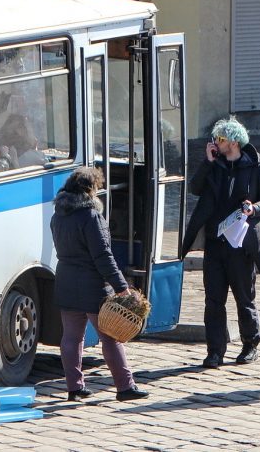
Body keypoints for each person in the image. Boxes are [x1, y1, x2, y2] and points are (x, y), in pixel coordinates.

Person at [182, 116, 260, 368]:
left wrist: (253, 208)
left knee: (244, 298)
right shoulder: (215, 164)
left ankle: (250, 344)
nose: (216, 143)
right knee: (214, 300)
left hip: (241, 244)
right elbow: (195, 188)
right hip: (216, 242)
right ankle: (215, 351)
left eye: (220, 139)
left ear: (233, 142)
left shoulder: (256, 167)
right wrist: (208, 161)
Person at [51, 166, 149, 402]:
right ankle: (125, 387)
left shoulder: (58, 216)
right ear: (89, 189)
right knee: (110, 337)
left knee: (71, 338)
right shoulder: (91, 216)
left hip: (64, 281)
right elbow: (103, 255)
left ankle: (74, 388)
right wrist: (121, 286)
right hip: (92, 285)